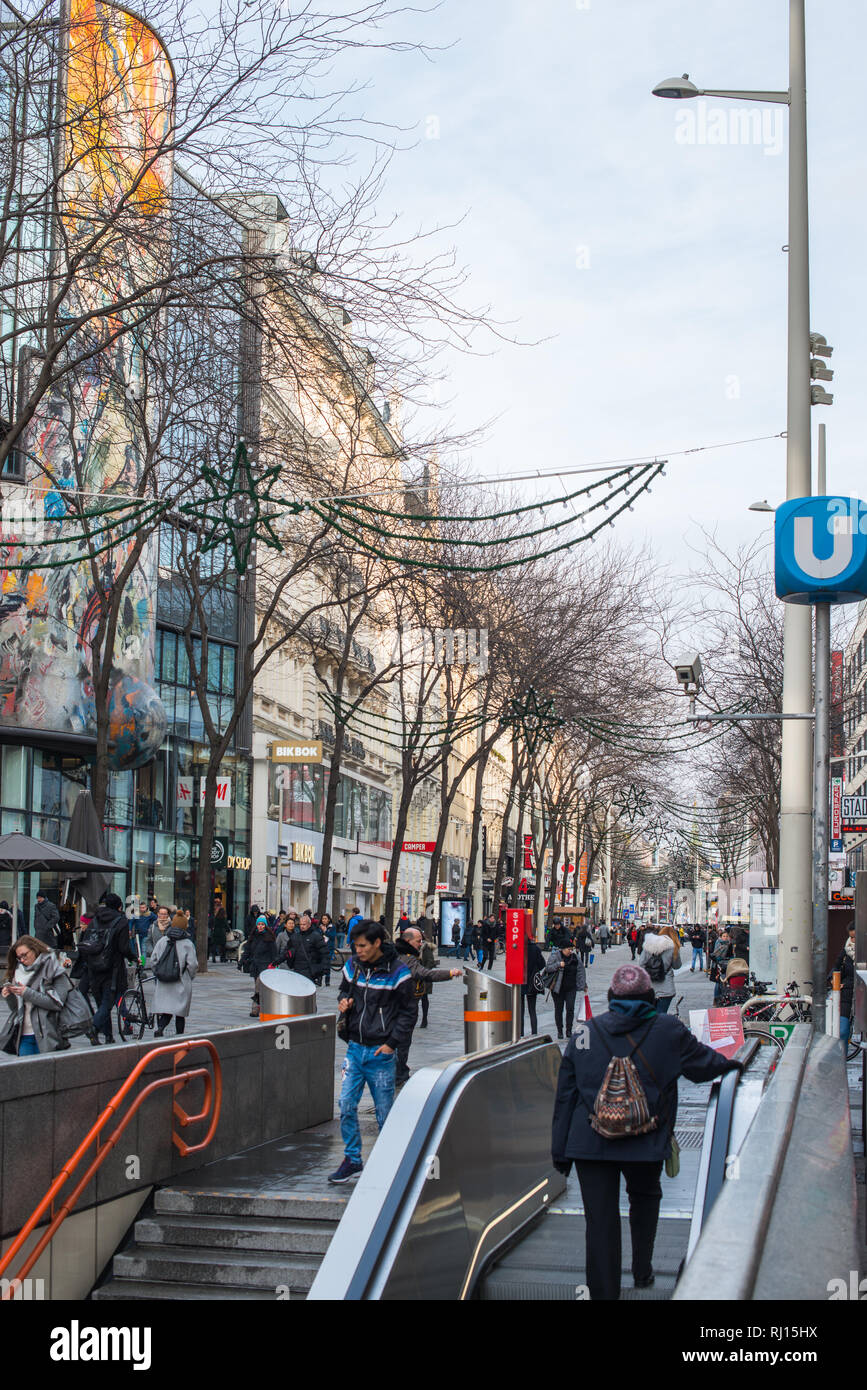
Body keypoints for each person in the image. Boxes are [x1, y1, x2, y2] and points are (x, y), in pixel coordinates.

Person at [552, 962, 742, 1300]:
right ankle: (642, 1271)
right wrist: (735, 1061)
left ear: (611, 997)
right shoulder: (669, 1029)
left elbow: (566, 1094)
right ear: (650, 996)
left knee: (600, 1221)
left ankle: (604, 1294)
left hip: (589, 1141)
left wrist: (560, 1151)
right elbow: (703, 1067)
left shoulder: (584, 1032)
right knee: (645, 1198)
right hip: (646, 1137)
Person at [330, 920, 416, 1184]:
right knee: (346, 1104)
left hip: (381, 1052)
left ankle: (390, 1163)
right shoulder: (352, 966)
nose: (358, 951)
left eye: (362, 946)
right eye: (355, 946)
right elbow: (344, 991)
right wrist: (344, 1001)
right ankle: (353, 1159)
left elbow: (408, 1012)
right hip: (355, 1049)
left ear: (377, 943)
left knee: (384, 1112)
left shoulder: (398, 972)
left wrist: (391, 1043)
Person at [393, 927, 462, 1084]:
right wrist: (450, 973)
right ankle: (399, 1075)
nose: (420, 944)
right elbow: (425, 974)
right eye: (418, 941)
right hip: (405, 1006)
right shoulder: (407, 959)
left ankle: (400, 1072)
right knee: (402, 1042)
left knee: (400, 1041)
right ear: (408, 941)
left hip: (403, 1004)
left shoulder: (398, 955)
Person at [0, 936, 74, 1056]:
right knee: (26, 1072)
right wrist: (9, 996)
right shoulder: (18, 972)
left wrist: (26, 992)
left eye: (25, 955)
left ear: (34, 950)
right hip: (24, 1034)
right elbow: (16, 1009)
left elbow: (56, 1003)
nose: (22, 960)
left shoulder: (54, 970)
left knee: (46, 1073)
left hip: (48, 1034)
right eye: (19, 957)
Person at [80, 892, 135, 1045]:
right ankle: (93, 1028)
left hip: (94, 968)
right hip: (113, 969)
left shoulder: (95, 920)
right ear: (119, 907)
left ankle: (109, 1037)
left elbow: (86, 942)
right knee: (107, 1004)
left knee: (101, 1004)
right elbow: (124, 948)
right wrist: (133, 957)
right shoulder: (121, 921)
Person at [152, 911, 198, 1036]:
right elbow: (193, 965)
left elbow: (154, 960)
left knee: (166, 1009)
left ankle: (160, 1028)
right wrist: (189, 976)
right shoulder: (187, 944)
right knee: (179, 1012)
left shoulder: (162, 941)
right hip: (181, 981)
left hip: (163, 981)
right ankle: (179, 1035)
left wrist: (158, 973)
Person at [241, 917, 280, 1016]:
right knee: (258, 987)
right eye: (259, 924)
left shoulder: (269, 938)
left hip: (265, 966)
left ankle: (256, 1008)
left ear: (265, 925)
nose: (260, 926)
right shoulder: (253, 936)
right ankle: (260, 1007)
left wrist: (275, 965)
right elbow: (248, 950)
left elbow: (274, 953)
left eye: (262, 924)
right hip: (255, 965)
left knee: (259, 987)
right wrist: (242, 960)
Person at [278, 912, 329, 984]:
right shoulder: (295, 937)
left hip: (309, 969)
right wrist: (276, 961)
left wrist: (325, 968)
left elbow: (324, 952)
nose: (302, 926)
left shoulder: (316, 936)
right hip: (297, 968)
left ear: (309, 924)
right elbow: (286, 951)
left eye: (304, 924)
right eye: (300, 924)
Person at [638, 925, 678, 1013]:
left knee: (649, 1016)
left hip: (649, 987)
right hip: (666, 987)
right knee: (661, 1016)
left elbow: (641, 963)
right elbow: (677, 965)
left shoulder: (648, 945)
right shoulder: (673, 947)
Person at [550, 941, 586, 1038]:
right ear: (562, 949)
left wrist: (583, 985)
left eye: (571, 949)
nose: (570, 951)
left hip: (571, 987)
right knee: (559, 1009)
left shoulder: (575, 958)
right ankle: (559, 1031)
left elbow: (580, 971)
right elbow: (548, 968)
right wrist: (558, 964)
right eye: (568, 949)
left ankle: (569, 1030)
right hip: (558, 988)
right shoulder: (555, 956)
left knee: (570, 1008)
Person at [831, 925, 856, 1045]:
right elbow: (836, 966)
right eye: (851, 937)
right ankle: (842, 1056)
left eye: (855, 937)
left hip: (858, 990)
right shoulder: (846, 950)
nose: (853, 941)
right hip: (847, 991)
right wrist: (833, 979)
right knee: (843, 1028)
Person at [521, 937, 547, 1036]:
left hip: (520, 981)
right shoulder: (535, 948)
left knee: (520, 1011)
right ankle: (534, 1032)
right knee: (532, 1010)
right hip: (532, 982)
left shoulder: (518, 948)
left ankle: (520, 1033)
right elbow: (542, 964)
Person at [209, 896, 228, 964]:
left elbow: (211, 922)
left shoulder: (215, 915)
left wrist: (211, 927)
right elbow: (226, 924)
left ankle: (213, 957)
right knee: (223, 945)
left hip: (215, 931)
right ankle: (222, 958)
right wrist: (228, 930)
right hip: (222, 932)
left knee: (214, 944)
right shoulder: (223, 915)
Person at [320, 914, 336, 986]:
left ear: (329, 919)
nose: (324, 920)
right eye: (323, 918)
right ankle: (319, 980)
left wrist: (325, 931)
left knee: (327, 965)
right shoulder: (319, 926)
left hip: (329, 948)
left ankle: (327, 981)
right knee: (320, 964)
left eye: (325, 919)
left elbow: (332, 936)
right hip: (321, 947)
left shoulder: (332, 927)